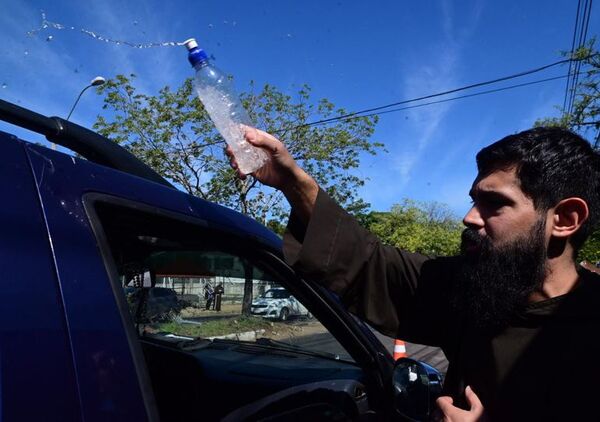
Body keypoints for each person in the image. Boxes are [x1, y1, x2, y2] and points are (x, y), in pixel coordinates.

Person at [228, 126, 600, 421]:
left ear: (565, 219)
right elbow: (366, 263)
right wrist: (292, 181)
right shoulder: (470, 286)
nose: (469, 217)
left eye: (495, 203)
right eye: (474, 200)